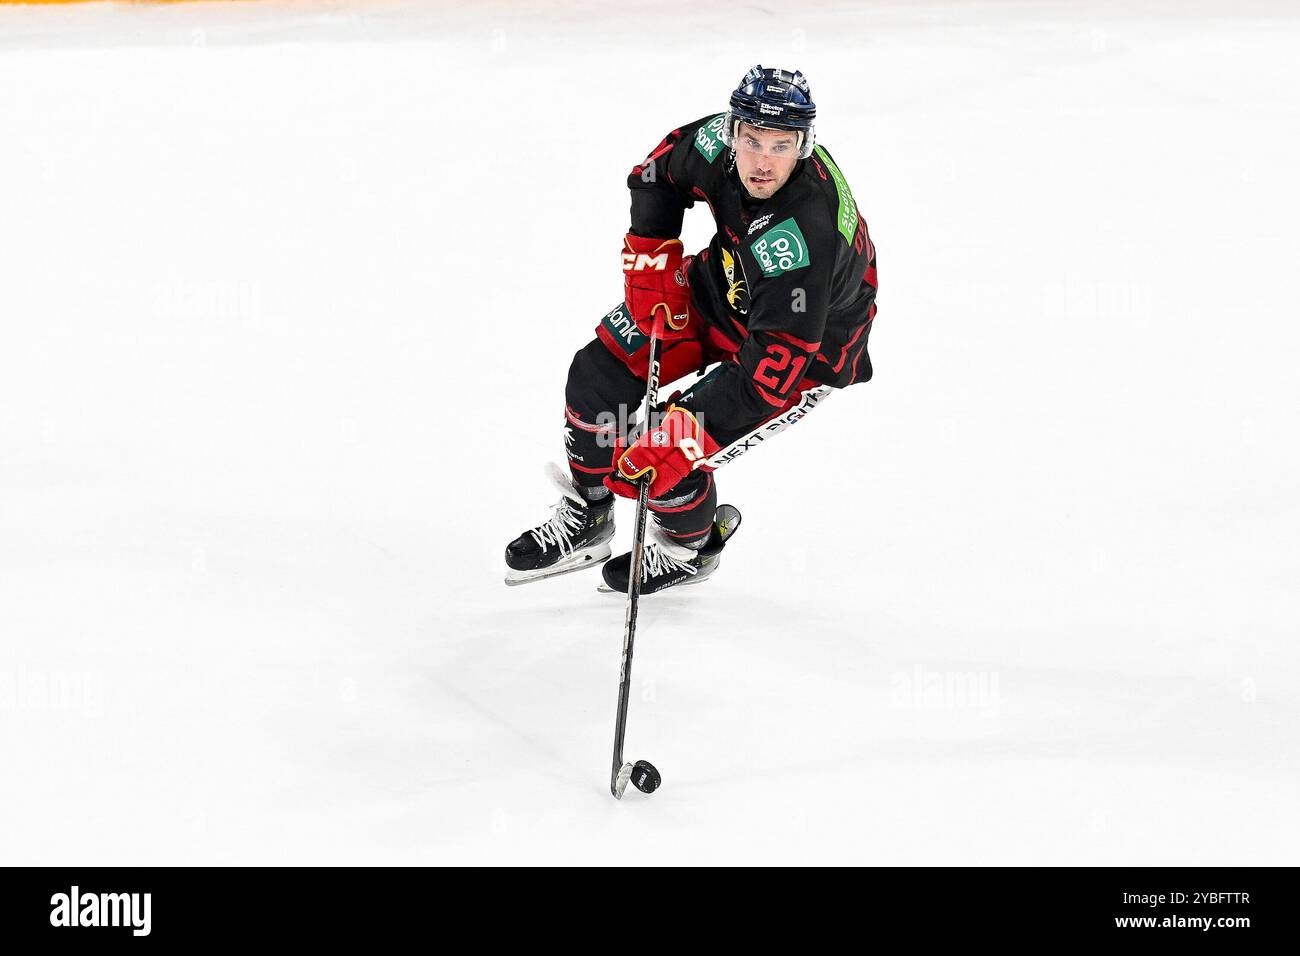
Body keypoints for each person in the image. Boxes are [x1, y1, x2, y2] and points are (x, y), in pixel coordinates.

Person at [505, 64, 878, 594]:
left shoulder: (805, 236)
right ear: (731, 132)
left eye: (781, 145)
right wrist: (650, 254)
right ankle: (589, 514)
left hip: (804, 350)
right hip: (726, 284)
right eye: (751, 141)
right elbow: (659, 171)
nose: (763, 161)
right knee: (597, 376)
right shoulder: (715, 145)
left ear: (804, 144)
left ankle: (690, 547)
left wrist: (682, 434)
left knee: (666, 449)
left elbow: (769, 372)